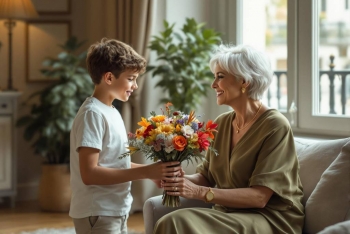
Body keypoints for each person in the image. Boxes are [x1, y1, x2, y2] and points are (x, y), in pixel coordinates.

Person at [155, 44, 304, 234]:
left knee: (175, 222)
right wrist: (177, 178)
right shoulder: (223, 123)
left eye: (220, 76)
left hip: (269, 218)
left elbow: (260, 197)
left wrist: (198, 193)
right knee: (170, 221)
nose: (213, 84)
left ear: (244, 81)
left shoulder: (275, 126)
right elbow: (206, 177)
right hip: (229, 213)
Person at [69, 38, 181, 234]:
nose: (135, 85)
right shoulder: (92, 114)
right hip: (97, 212)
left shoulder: (111, 111)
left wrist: (152, 172)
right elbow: (89, 173)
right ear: (109, 78)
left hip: (115, 209)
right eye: (131, 78)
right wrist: (146, 172)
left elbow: (112, 163)